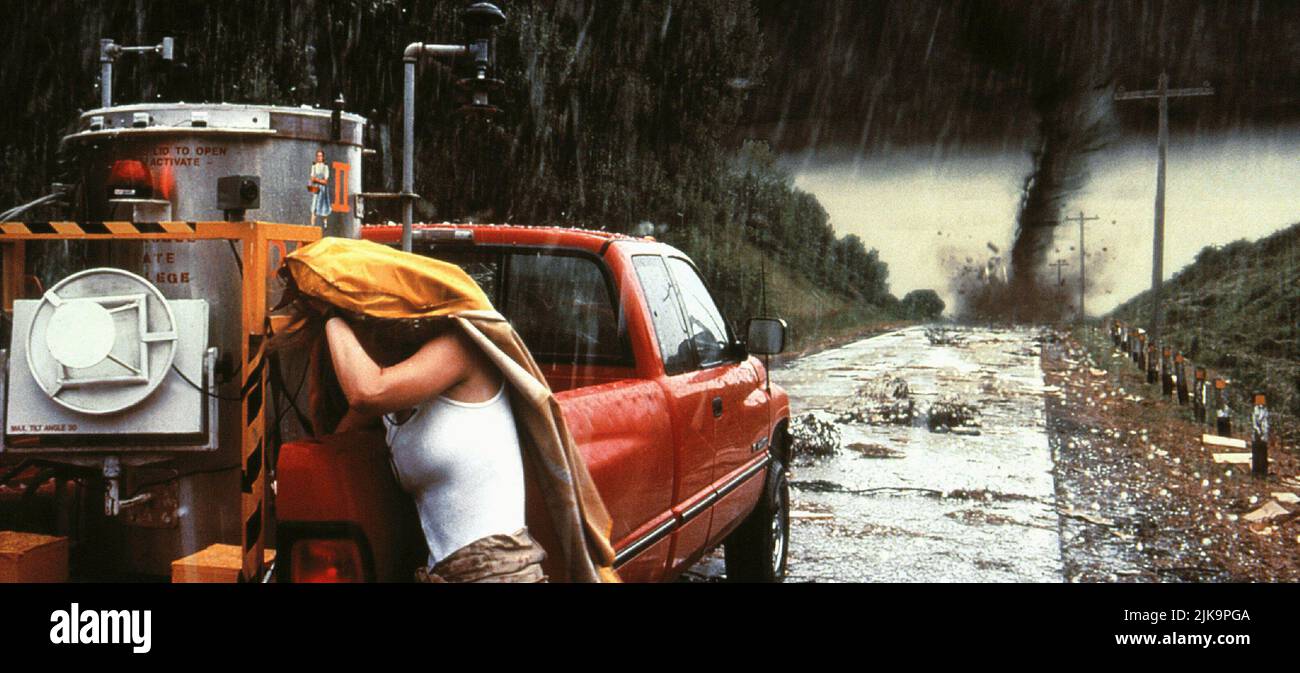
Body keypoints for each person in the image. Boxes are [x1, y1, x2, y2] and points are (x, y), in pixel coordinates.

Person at [270, 238, 618, 582]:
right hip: (445, 574)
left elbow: (365, 391)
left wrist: (331, 312)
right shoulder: (398, 400)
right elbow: (337, 449)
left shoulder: (460, 350)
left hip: (499, 573)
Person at [308, 150, 331, 227]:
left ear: (323, 157)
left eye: (320, 156)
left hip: (323, 189)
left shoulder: (325, 167)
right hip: (316, 189)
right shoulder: (314, 167)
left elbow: (325, 181)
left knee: (324, 205)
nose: (319, 157)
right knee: (314, 206)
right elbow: (311, 178)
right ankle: (312, 224)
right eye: (318, 156)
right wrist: (312, 182)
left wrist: (317, 179)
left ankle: (325, 224)